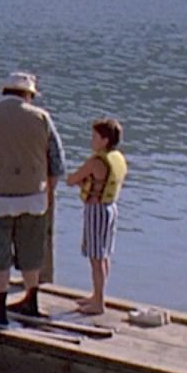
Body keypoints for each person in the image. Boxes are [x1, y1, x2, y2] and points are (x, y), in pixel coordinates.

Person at [0, 72, 67, 324]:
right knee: (31, 250)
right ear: (29, 95)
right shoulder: (42, 118)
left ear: (4, 91)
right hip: (33, 197)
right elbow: (57, 162)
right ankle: (31, 300)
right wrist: (48, 192)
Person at [64, 118, 127, 315]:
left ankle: (98, 303)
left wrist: (80, 182)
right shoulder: (117, 157)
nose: (91, 140)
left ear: (105, 140)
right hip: (111, 208)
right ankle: (97, 296)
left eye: (95, 137)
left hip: (96, 210)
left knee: (96, 258)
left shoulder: (96, 162)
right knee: (104, 255)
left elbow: (71, 179)